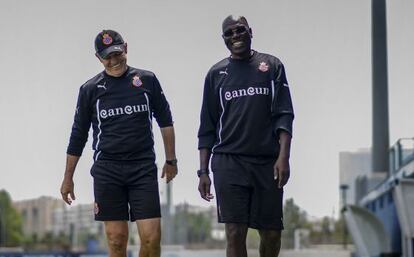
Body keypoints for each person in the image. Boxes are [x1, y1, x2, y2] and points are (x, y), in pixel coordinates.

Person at [60, 29, 177, 257]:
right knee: (116, 241)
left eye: (117, 53)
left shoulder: (147, 80)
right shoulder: (89, 90)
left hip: (142, 168)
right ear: (98, 57)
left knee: (152, 240)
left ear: (125, 48)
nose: (114, 61)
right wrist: (68, 177)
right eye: (107, 57)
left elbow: (165, 120)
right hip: (107, 171)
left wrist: (170, 159)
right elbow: (78, 135)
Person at [197, 15, 294, 257]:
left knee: (271, 234)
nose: (235, 36)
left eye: (240, 30)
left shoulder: (272, 66)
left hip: (266, 163)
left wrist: (284, 157)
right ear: (224, 39)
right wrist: (203, 172)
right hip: (229, 162)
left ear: (250, 31)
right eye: (229, 34)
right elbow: (207, 128)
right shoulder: (216, 74)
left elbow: (284, 115)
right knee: (234, 232)